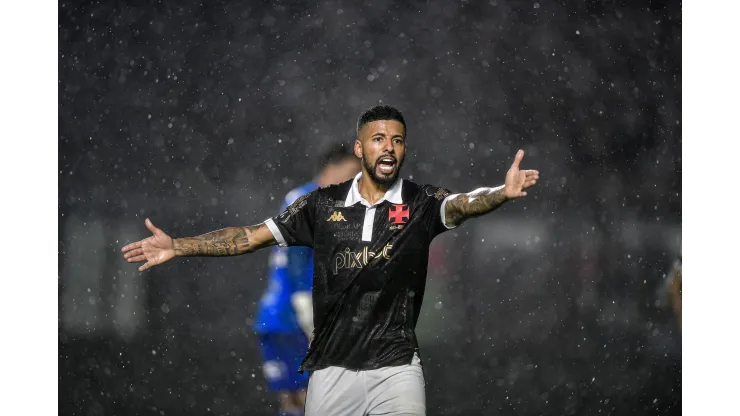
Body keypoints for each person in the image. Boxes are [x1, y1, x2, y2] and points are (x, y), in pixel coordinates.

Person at [122, 105, 540, 416]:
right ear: (360, 148)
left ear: (404, 148)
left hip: (396, 366)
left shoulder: (419, 203)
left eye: (396, 139)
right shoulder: (318, 205)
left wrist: (500, 193)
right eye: (378, 138)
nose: (388, 147)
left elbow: (463, 204)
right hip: (331, 366)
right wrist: (179, 245)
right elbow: (249, 237)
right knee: (293, 402)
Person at [254, 145, 359, 416]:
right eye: (352, 173)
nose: (355, 182)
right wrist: (307, 310)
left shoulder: (331, 204)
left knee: (299, 402)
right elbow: (296, 260)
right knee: (308, 401)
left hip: (285, 317)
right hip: (293, 319)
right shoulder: (307, 200)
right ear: (330, 169)